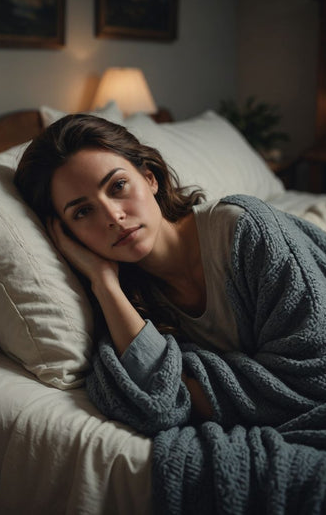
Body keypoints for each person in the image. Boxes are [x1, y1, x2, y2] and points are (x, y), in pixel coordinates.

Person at [14, 113, 250, 419]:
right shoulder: (125, 303)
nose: (112, 216)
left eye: (117, 186)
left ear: (150, 178)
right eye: (83, 211)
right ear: (67, 233)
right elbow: (166, 398)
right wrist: (104, 282)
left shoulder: (241, 230)